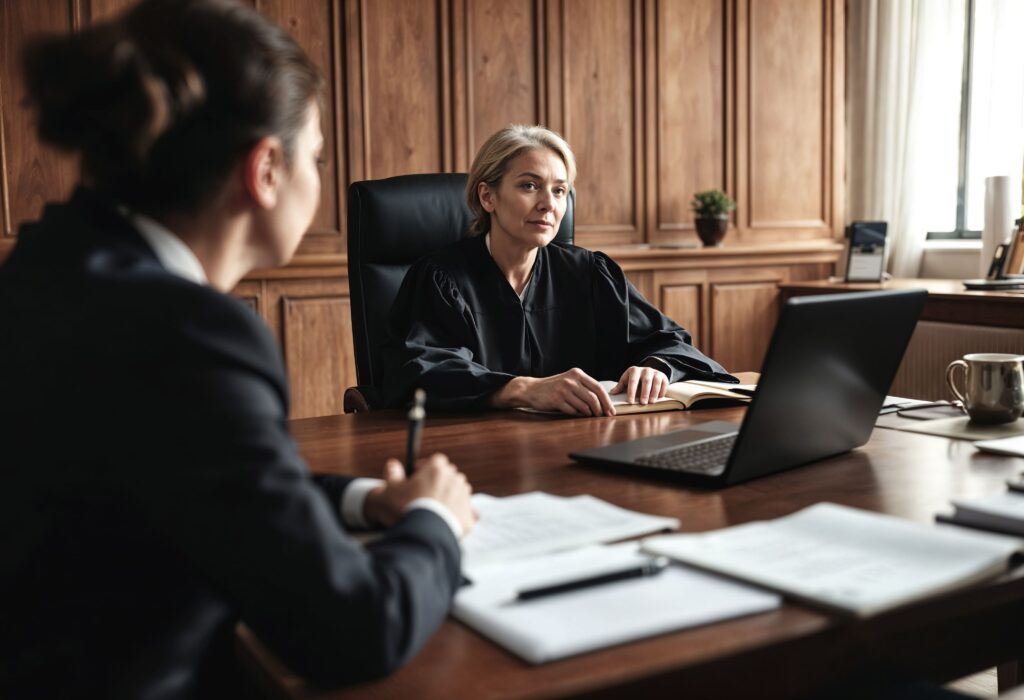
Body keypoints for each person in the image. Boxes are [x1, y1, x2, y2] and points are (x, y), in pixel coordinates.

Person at [0, 1, 474, 698]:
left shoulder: (51, 264)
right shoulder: (189, 333)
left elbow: (184, 474)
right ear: (266, 171)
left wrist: (364, 501)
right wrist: (437, 519)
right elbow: (350, 631)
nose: (317, 179)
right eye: (314, 157)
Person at [382, 125, 736, 415]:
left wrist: (656, 368)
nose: (548, 204)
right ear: (488, 197)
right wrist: (523, 390)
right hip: (480, 453)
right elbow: (422, 370)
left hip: (590, 443)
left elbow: (673, 342)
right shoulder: (442, 279)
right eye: (529, 185)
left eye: (560, 190)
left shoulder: (590, 273)